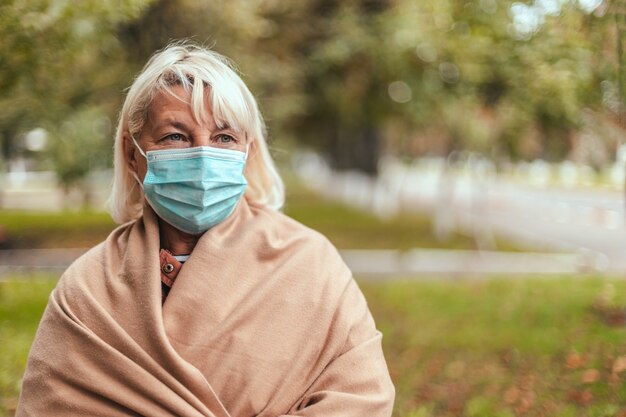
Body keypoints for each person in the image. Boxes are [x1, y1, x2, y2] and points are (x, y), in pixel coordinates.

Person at [16, 42, 395, 417]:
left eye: (224, 138)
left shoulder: (310, 263)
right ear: (133, 154)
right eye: (175, 137)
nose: (201, 153)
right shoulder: (87, 289)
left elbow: (362, 398)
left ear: (248, 153)